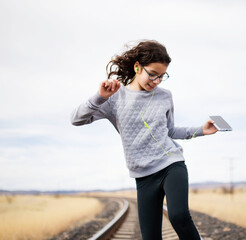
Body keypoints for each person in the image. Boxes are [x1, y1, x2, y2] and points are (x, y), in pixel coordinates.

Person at [70, 40, 218, 240]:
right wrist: (100, 97)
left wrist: (201, 130)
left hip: (171, 164)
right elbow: (76, 119)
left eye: (161, 76)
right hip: (144, 176)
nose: (156, 81)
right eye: (152, 74)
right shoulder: (115, 97)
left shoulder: (165, 96)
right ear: (137, 66)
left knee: (179, 215)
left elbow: (170, 131)